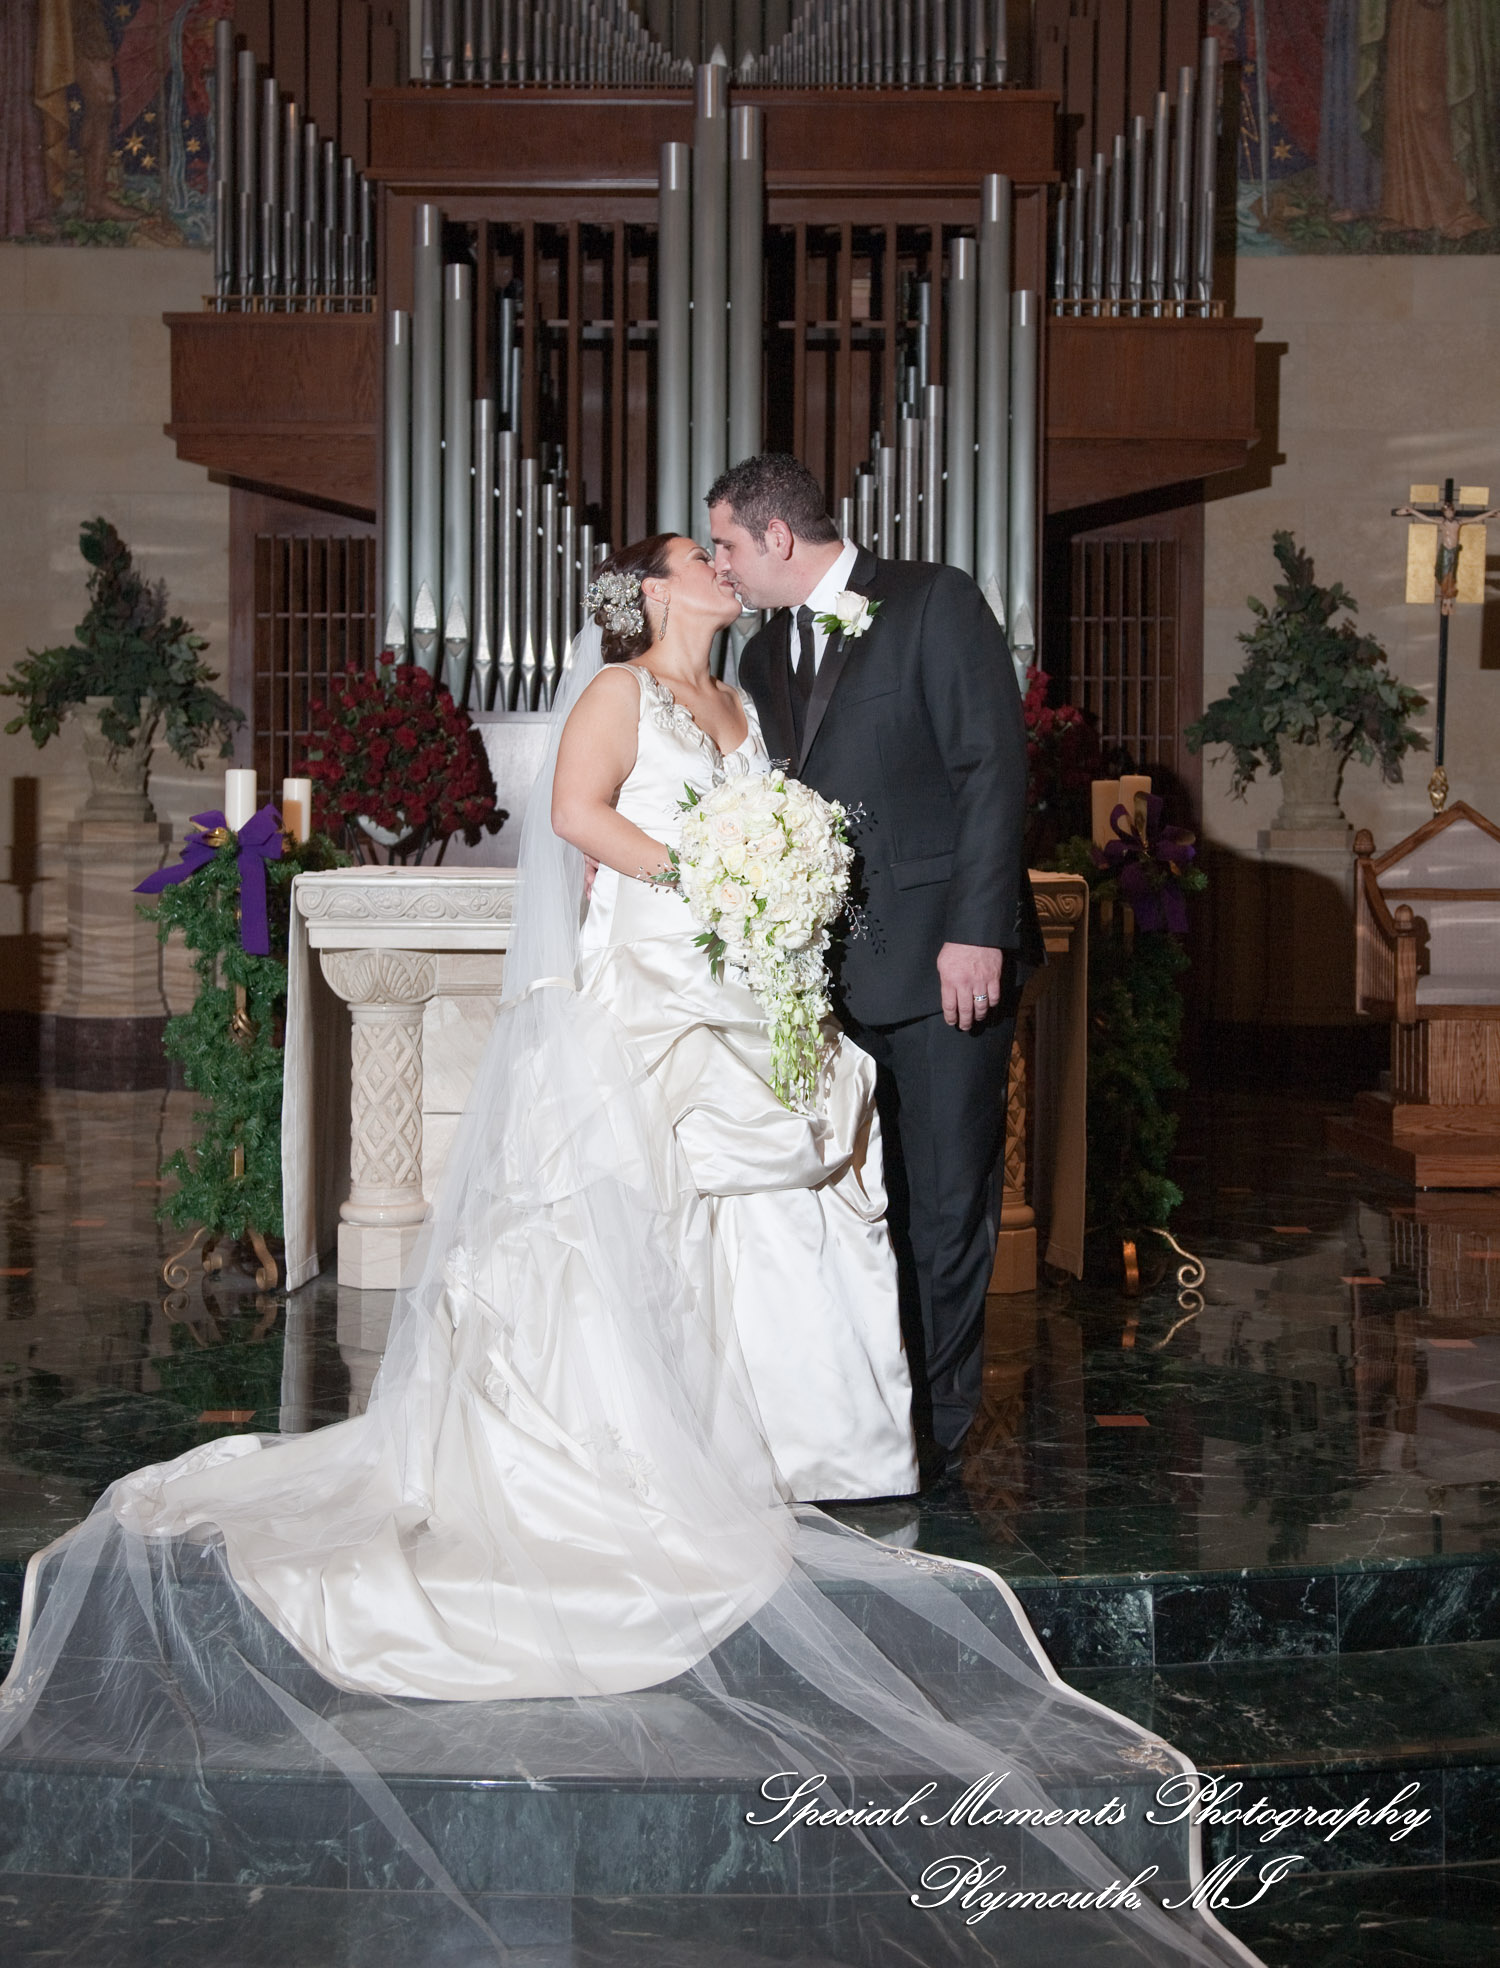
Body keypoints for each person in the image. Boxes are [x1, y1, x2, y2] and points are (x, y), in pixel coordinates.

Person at [0, 534, 1256, 1968]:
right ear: (657, 594)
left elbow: (778, 816)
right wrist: (714, 871)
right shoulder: (619, 691)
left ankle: (767, 1444)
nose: (723, 573)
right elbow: (580, 814)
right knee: (621, 1225)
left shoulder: (750, 708)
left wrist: (771, 882)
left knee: (764, 1217)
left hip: (741, 979)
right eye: (697, 562)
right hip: (652, 986)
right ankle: (608, 1452)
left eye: (730, 557)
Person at [710, 454, 1044, 1473]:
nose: (721, 567)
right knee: (863, 1212)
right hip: (834, 979)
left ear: (778, 538)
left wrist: (976, 930)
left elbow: (992, 764)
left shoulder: (932, 599)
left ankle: (940, 1436)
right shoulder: (765, 659)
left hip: (948, 964)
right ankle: (874, 1415)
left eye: (726, 544)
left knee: (947, 1205)